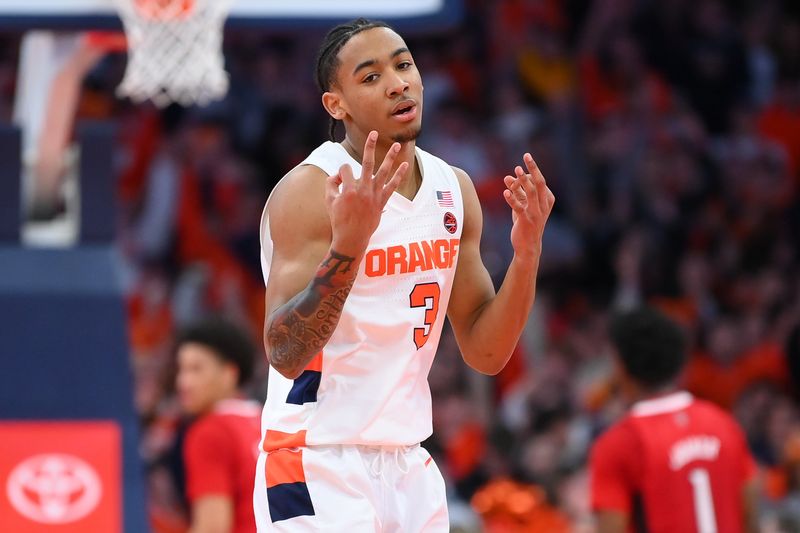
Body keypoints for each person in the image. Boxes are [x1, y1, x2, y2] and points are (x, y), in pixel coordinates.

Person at [254, 18, 555, 531]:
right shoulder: (310, 192)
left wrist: (526, 258)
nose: (397, 82)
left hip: (408, 460)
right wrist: (349, 246)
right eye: (370, 77)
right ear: (337, 104)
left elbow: (486, 352)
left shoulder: (452, 188)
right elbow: (285, 354)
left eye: (404, 64)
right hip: (316, 456)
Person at [590, 306, 759, 533]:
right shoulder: (723, 423)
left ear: (620, 366)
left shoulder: (619, 443)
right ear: (680, 362)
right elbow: (751, 516)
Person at [175, 318, 262, 533]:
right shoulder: (263, 418)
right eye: (181, 369)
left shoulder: (210, 432)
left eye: (196, 370)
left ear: (229, 374)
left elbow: (212, 527)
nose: (183, 383)